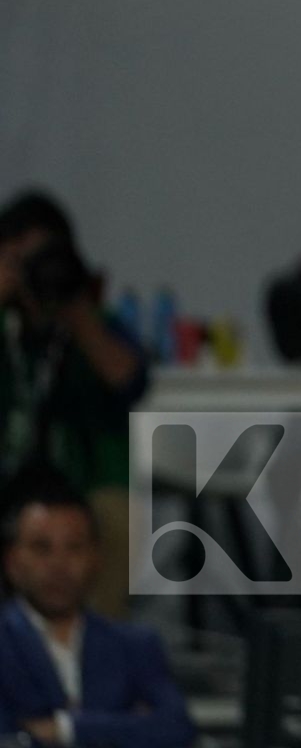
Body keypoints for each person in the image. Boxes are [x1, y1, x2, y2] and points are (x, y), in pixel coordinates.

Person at [0, 190, 149, 619]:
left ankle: (94, 654)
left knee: (119, 517)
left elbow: (128, 380)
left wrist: (76, 308)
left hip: (79, 488)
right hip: (8, 487)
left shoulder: (92, 325)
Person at [0, 486, 195, 747]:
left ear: (95, 558)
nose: (59, 564)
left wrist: (66, 728)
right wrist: (126, 726)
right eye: (41, 548)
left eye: (74, 547)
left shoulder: (136, 645)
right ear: (12, 562)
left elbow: (175, 728)